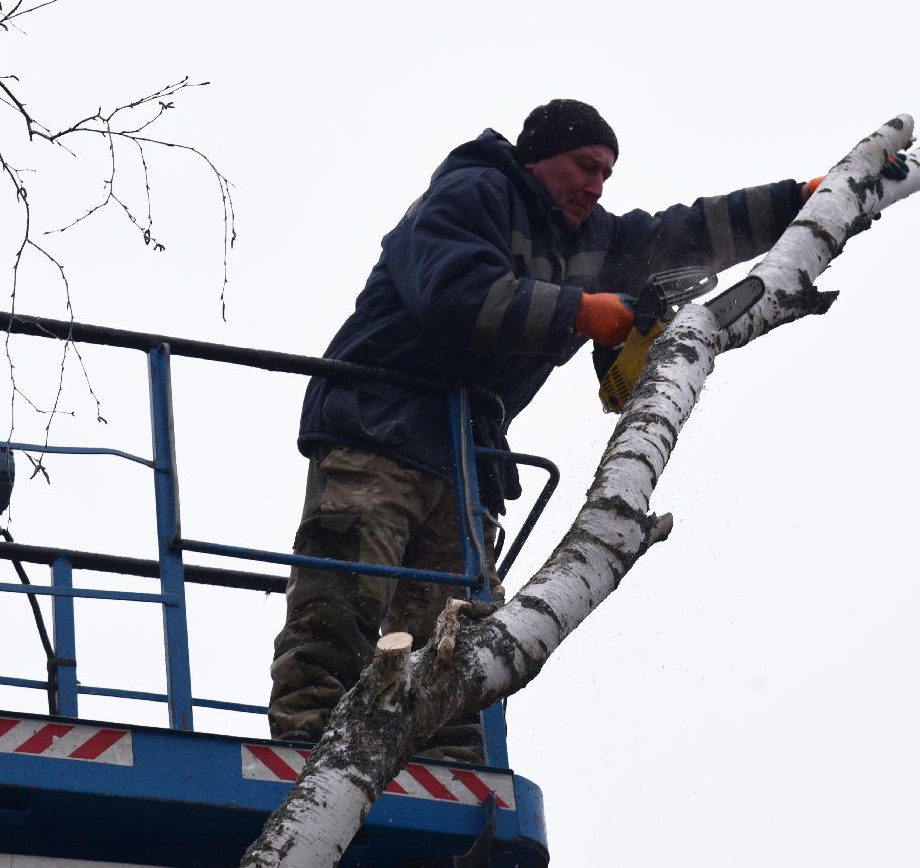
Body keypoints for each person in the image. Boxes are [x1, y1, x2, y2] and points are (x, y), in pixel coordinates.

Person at [268, 99, 817, 761]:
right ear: (538, 159)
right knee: (347, 589)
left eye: (607, 174)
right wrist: (578, 312)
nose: (597, 185)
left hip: (465, 453)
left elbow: (687, 231)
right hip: (377, 422)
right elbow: (455, 295)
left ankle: (451, 759)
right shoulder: (473, 194)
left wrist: (801, 200)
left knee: (453, 630)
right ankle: (306, 736)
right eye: (585, 167)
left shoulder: (592, 241)